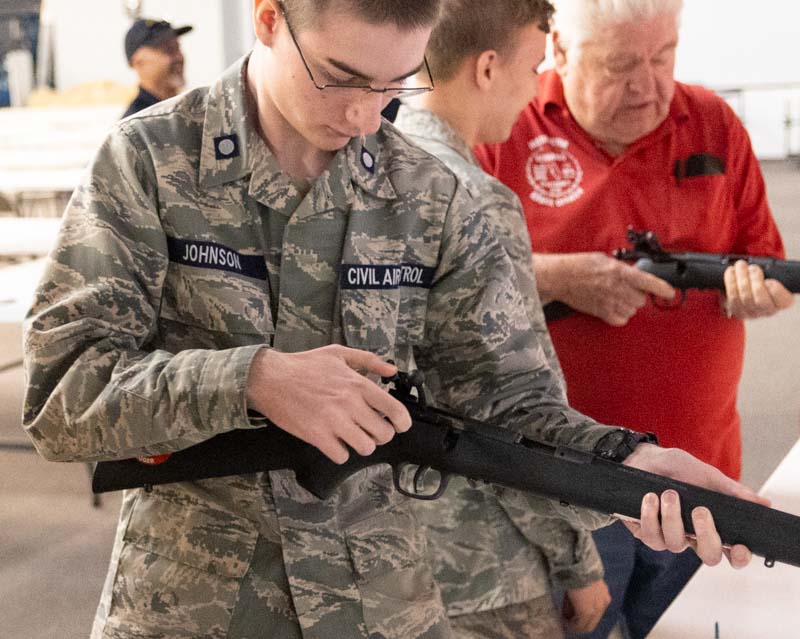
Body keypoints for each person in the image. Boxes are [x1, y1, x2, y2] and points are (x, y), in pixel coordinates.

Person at [23, 0, 761, 637]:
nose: (362, 113)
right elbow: (62, 395)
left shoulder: (431, 193)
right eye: (341, 76)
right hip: (195, 607)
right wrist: (251, 380)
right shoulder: (148, 162)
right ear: (269, 19)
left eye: (392, 82)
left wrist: (628, 461)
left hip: (381, 605)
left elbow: (507, 402)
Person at [474, 0, 794, 637]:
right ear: (558, 52)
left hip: (703, 471)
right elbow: (439, 286)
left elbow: (769, 268)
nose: (648, 85)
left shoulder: (712, 122)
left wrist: (757, 294)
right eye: (621, 64)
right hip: (557, 489)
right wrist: (561, 278)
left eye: (663, 56)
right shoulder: (499, 124)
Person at [394, 1, 610, 637]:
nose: (536, 88)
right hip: (485, 568)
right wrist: (577, 560)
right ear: (487, 67)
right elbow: (513, 413)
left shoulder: (361, 173)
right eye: (534, 67)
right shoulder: (475, 199)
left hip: (381, 558)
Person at [122, 18, 192, 118]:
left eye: (178, 48)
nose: (179, 57)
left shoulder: (188, 111)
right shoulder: (138, 125)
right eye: (169, 50)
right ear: (138, 62)